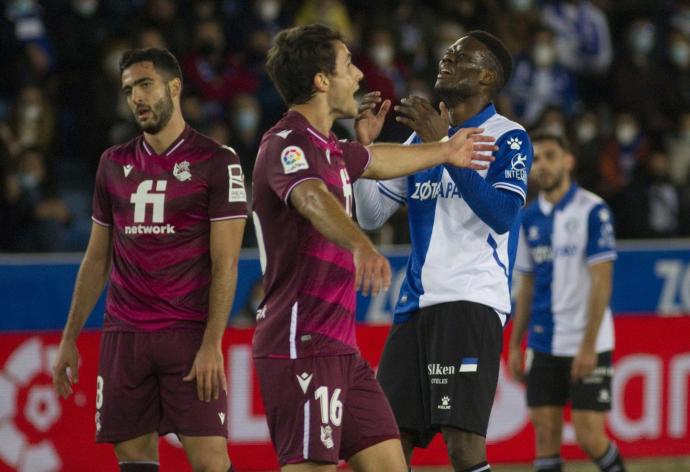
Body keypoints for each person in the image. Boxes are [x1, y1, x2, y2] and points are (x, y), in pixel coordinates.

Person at [251, 24, 495, 472]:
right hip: (301, 342)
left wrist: (444, 151)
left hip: (342, 350)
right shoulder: (286, 143)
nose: (361, 75)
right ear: (322, 81)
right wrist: (360, 245)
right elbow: (310, 198)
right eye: (348, 65)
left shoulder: (331, 148)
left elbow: (379, 160)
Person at [51, 48, 247, 472]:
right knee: (133, 461)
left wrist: (213, 342)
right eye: (128, 90)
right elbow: (96, 258)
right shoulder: (112, 163)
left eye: (145, 84)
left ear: (174, 87)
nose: (136, 97)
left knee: (212, 462)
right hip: (125, 337)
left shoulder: (217, 161)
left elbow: (226, 262)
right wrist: (70, 338)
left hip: (188, 337)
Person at [354, 30, 532, 472]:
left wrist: (449, 143)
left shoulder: (508, 138)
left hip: (470, 300)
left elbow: (503, 214)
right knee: (389, 443)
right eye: (448, 52)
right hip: (414, 306)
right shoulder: (421, 142)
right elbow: (372, 216)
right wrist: (361, 153)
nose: (447, 58)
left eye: (461, 56)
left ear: (487, 76)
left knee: (462, 445)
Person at [508, 130, 626, 472]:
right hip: (543, 343)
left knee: (590, 437)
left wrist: (588, 346)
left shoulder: (593, 211)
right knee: (545, 437)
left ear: (568, 162)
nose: (542, 166)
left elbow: (602, 281)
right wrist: (516, 344)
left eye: (550, 157)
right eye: (536, 160)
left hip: (588, 342)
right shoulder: (527, 218)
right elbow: (526, 288)